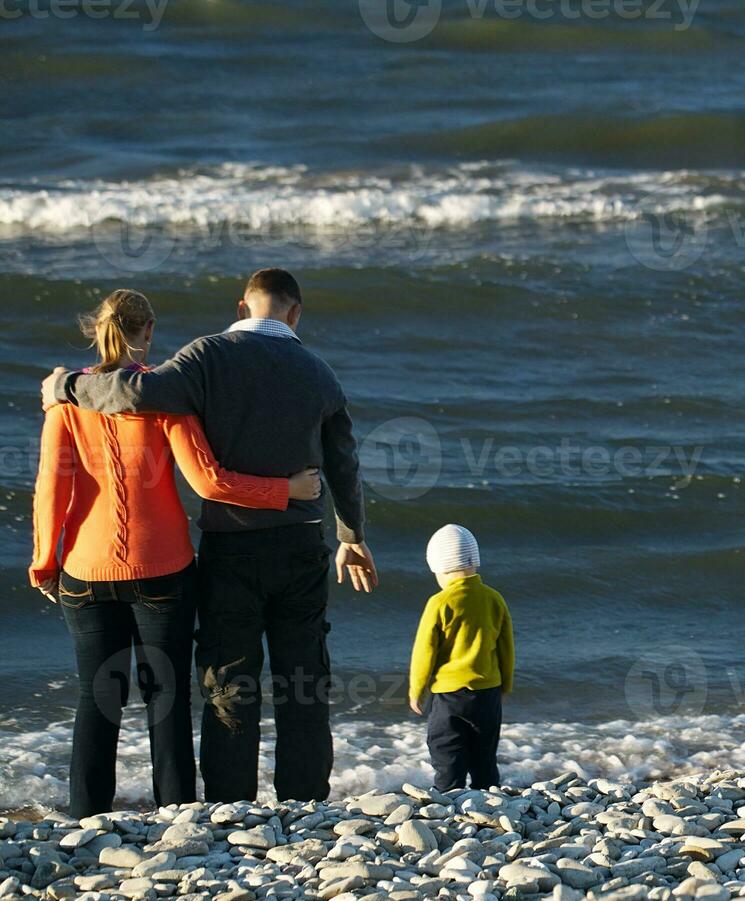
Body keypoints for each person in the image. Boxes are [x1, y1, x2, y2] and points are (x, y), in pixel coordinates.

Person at [42, 269, 378, 803]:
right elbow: (344, 462)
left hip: (231, 548)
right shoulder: (319, 373)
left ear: (242, 308)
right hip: (300, 545)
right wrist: (352, 535)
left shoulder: (205, 357)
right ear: (295, 314)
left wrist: (64, 386)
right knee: (305, 680)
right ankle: (305, 799)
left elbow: (134, 390)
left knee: (229, 680)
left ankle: (230, 804)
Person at [409, 524, 514, 792]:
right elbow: (506, 647)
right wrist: (506, 685)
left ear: (440, 569)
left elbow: (425, 651)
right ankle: (488, 801)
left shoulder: (440, 602)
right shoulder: (494, 598)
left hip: (450, 697)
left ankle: (448, 803)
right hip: (488, 694)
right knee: (485, 757)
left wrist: (416, 690)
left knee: (447, 754)